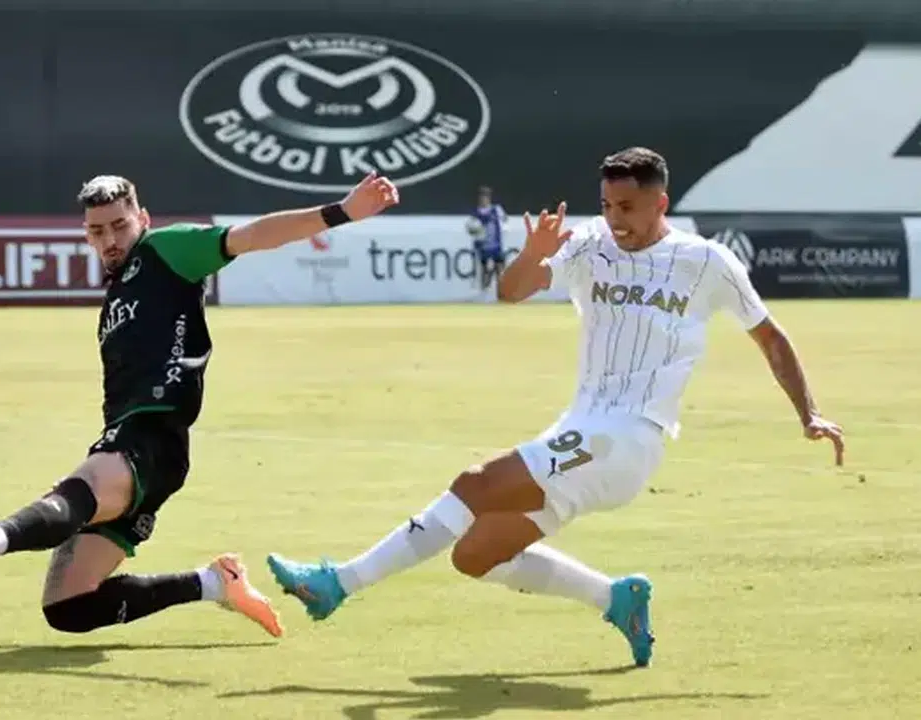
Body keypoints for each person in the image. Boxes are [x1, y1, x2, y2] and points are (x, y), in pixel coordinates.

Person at [266, 147, 845, 668]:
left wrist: (809, 413)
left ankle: (337, 584)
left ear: (659, 201)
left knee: (475, 483)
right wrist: (533, 253)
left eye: (627, 206)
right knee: (475, 554)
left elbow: (770, 337)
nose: (616, 218)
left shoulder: (706, 262)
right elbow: (511, 291)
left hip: (628, 440)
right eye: (607, 204)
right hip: (580, 431)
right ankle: (616, 597)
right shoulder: (591, 244)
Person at [0, 171, 400, 639]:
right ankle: (214, 583)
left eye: (120, 225)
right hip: (133, 444)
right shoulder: (116, 292)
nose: (110, 239)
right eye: (98, 231)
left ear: (143, 219)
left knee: (79, 492)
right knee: (68, 607)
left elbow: (255, 235)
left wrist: (343, 211)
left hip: (152, 438)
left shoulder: (165, 250)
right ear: (86, 234)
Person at [469, 186, 506, 291]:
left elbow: (504, 221)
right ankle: (484, 292)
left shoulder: (496, 209)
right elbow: (471, 228)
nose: (483, 199)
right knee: (485, 270)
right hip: (484, 247)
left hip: (496, 245)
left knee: (500, 269)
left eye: (485, 197)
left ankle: (502, 292)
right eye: (481, 197)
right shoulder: (476, 213)